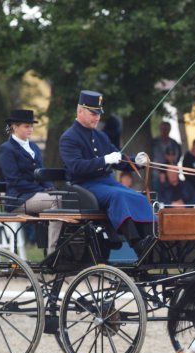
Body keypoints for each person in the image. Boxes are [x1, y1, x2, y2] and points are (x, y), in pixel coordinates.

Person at [59, 90, 154, 256]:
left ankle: (151, 239)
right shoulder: (69, 137)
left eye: (98, 113)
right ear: (80, 110)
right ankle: (137, 244)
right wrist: (104, 161)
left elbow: (117, 158)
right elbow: (76, 167)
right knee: (117, 196)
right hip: (85, 185)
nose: (97, 117)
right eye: (92, 113)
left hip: (107, 183)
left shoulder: (101, 136)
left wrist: (135, 162)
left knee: (138, 197)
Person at [0, 109, 61, 252]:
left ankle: (67, 250)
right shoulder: (6, 149)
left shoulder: (33, 147)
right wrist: (41, 190)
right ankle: (54, 252)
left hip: (36, 195)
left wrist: (50, 187)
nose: (30, 129)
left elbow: (42, 173)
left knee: (65, 198)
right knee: (56, 201)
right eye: (26, 126)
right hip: (18, 198)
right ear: (14, 126)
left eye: (31, 126)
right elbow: (14, 180)